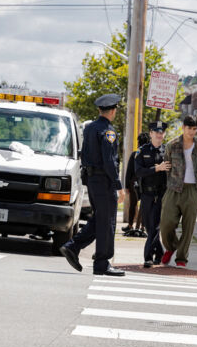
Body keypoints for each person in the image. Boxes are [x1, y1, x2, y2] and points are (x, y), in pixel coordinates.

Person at [58, 94, 126, 276]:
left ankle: (73, 247)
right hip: (105, 182)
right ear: (113, 111)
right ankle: (101, 263)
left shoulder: (89, 129)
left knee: (100, 220)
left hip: (93, 181)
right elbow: (110, 161)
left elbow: (85, 155)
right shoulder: (108, 131)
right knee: (107, 222)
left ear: (99, 110)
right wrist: (119, 185)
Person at [159, 116, 197, 267]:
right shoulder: (172, 145)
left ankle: (181, 257)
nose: (191, 132)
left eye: (194, 129)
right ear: (183, 127)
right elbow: (167, 168)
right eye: (189, 128)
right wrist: (170, 184)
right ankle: (171, 247)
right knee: (166, 224)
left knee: (188, 227)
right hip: (173, 189)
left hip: (192, 190)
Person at [135, 121, 170, 268]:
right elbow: (138, 171)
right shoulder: (142, 151)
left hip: (161, 194)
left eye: (161, 132)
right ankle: (160, 254)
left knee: (155, 226)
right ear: (150, 134)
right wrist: (157, 169)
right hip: (146, 195)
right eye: (156, 132)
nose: (159, 134)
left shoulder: (167, 151)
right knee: (149, 228)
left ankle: (147, 257)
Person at [122, 132, 150, 238]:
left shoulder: (135, 154)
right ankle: (142, 226)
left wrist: (126, 186)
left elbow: (128, 171)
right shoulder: (149, 155)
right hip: (145, 183)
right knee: (144, 205)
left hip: (134, 183)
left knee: (133, 205)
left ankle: (130, 225)